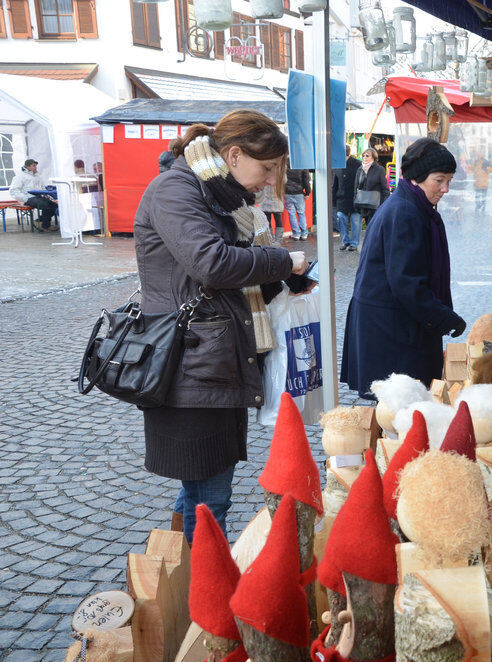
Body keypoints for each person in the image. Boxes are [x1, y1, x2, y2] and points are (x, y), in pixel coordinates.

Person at [133, 109, 308, 542]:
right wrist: (281, 261)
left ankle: (183, 567)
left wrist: (284, 279)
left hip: (215, 357)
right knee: (211, 496)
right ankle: (206, 577)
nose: (270, 181)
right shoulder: (176, 190)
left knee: (203, 489)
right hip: (187, 361)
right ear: (233, 155)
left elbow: (232, 271)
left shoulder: (222, 196)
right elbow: (211, 263)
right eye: (267, 168)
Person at [341, 137, 466, 397]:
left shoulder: (409, 204)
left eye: (449, 181)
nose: (445, 189)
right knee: (403, 409)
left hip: (392, 325)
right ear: (417, 178)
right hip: (391, 332)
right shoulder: (406, 212)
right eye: (439, 180)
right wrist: (443, 317)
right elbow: (406, 283)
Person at [352, 147, 390, 250]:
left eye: (367, 156)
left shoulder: (379, 169)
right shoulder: (360, 169)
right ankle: (370, 247)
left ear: (373, 157)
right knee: (368, 228)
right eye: (363, 156)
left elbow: (385, 188)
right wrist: (355, 200)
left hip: (375, 204)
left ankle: (373, 247)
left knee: (373, 227)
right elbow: (356, 187)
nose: (364, 157)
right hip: (362, 203)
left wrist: (383, 204)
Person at [8, 158, 58, 232]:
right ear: (27, 167)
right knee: (44, 204)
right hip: (28, 198)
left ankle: (39, 221)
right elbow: (13, 191)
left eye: (36, 165)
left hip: (38, 197)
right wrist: (25, 199)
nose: (36, 167)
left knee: (54, 205)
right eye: (33, 165)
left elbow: (42, 188)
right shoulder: (20, 176)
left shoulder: (38, 176)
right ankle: (46, 225)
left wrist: (46, 195)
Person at [332, 145, 362, 251]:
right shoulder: (337, 165)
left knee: (355, 221)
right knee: (341, 218)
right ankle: (345, 241)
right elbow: (335, 183)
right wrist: (333, 200)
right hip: (342, 198)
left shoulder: (358, 164)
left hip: (355, 198)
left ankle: (354, 243)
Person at [284, 167, 311, 240]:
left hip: (287, 192)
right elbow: (306, 180)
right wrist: (307, 192)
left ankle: (296, 234)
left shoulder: (285, 164)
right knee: (301, 213)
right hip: (299, 193)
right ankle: (304, 234)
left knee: (291, 213)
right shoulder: (302, 165)